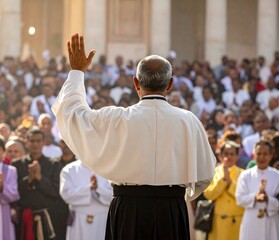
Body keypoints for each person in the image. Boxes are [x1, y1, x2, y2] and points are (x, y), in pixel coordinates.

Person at [52, 33, 216, 240]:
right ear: (170, 84)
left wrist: (77, 72)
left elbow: (72, 115)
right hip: (171, 210)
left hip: (128, 209)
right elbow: (206, 174)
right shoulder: (189, 121)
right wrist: (179, 194)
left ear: (136, 83)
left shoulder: (116, 118)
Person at [11, 127, 61, 240]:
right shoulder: (17, 164)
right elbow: (14, 192)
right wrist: (28, 179)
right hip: (23, 218)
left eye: (38, 141)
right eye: (32, 141)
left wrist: (39, 178)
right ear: (27, 142)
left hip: (47, 217)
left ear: (43, 142)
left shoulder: (53, 164)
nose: (35, 144)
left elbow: (56, 191)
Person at [235, 140, 279, 240]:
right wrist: (255, 197)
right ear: (253, 155)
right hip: (251, 220)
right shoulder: (246, 175)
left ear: (271, 155)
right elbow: (239, 198)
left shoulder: (277, 175)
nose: (262, 157)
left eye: (265, 154)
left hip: (271, 220)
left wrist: (268, 199)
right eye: (258, 153)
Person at [60, 160, 113, 240]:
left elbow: (113, 196)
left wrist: (98, 188)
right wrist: (89, 188)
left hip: (102, 221)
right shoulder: (69, 169)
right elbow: (66, 194)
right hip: (78, 221)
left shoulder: (108, 169)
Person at [202, 141, 244, 240]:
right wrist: (223, 181)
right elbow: (208, 194)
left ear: (237, 157)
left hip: (237, 219)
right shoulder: (214, 172)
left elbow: (243, 196)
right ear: (220, 155)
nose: (228, 157)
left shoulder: (243, 174)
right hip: (218, 221)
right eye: (226, 153)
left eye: (232, 154)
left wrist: (230, 184)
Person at [0, 136, 20, 240]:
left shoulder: (11, 170)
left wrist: (2, 186)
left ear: (3, 152)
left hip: (4, 212)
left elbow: (14, 195)